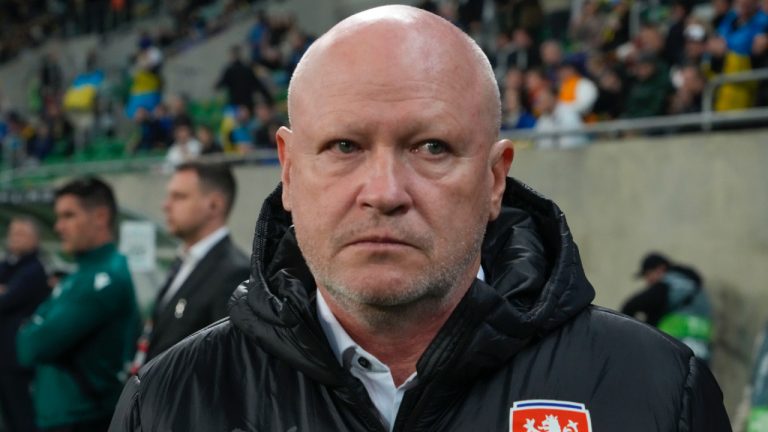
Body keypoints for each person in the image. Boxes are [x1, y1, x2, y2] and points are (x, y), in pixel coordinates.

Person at [110, 6, 730, 431]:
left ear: (494, 179)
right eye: (345, 147)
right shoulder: (169, 401)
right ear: (289, 171)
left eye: (431, 148)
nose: (384, 192)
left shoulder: (654, 389)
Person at [17, 177, 140, 431]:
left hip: (82, 420)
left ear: (100, 217)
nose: (58, 226)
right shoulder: (81, 273)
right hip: (62, 417)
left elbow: (31, 346)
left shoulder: (105, 276)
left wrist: (34, 327)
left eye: (68, 216)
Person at [138, 161, 249, 364]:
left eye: (179, 197)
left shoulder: (234, 273)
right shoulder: (184, 262)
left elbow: (224, 363)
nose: (166, 205)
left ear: (214, 205)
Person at [0, 217, 50, 432]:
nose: (14, 238)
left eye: (21, 233)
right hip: (5, 355)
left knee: (21, 415)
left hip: (17, 357)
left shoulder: (34, 270)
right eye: (13, 232)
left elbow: (7, 299)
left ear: (35, 239)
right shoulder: (9, 264)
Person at [621, 252, 714, 363]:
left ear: (661, 269)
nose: (647, 281)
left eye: (648, 275)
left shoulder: (666, 287)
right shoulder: (698, 292)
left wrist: (628, 333)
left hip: (675, 353)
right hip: (701, 354)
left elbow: (631, 305)